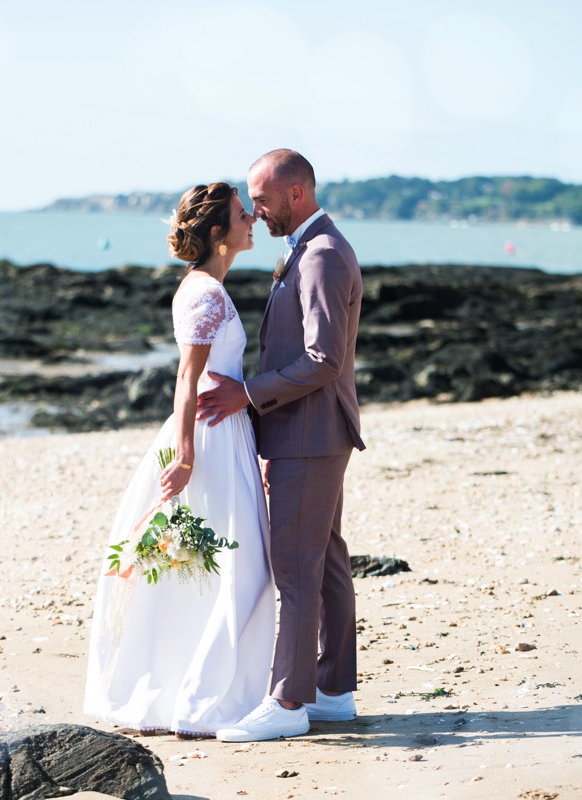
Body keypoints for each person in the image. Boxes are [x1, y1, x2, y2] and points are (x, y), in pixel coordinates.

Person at [84, 182, 276, 737]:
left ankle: (190, 692)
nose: (253, 222)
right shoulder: (205, 293)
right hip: (209, 440)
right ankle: (196, 699)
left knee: (213, 569)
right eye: (243, 216)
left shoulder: (208, 286)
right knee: (229, 568)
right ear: (219, 235)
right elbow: (188, 377)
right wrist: (187, 455)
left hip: (227, 432)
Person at [199, 149, 365, 742]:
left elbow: (323, 359)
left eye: (262, 200)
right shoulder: (314, 248)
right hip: (312, 432)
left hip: (309, 434)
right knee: (325, 563)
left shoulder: (320, 255)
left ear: (296, 194)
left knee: (296, 571)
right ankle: (332, 691)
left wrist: (246, 395)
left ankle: (290, 702)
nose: (257, 211)